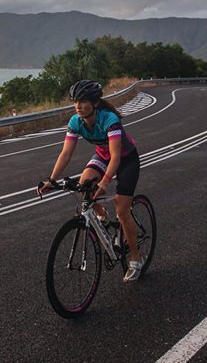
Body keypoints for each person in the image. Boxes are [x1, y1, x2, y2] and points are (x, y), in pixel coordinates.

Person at [37, 79, 144, 282]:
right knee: (83, 186)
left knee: (122, 211)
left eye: (83, 101)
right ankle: (102, 217)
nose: (78, 106)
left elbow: (116, 157)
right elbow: (66, 153)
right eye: (75, 101)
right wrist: (51, 180)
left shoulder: (109, 119)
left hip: (126, 159)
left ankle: (136, 259)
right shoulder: (75, 122)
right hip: (103, 157)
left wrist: (104, 182)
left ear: (95, 103)